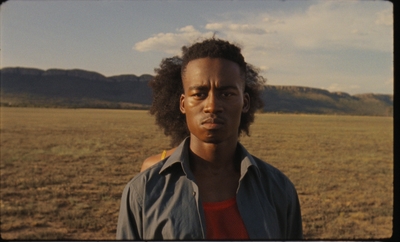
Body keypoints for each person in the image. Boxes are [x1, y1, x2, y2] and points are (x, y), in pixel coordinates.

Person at [117, 38, 303, 240]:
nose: (212, 106)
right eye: (199, 94)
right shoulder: (143, 192)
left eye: (227, 93)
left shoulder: (278, 190)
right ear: (182, 104)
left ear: (245, 102)